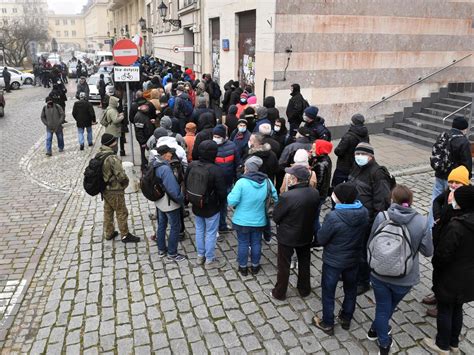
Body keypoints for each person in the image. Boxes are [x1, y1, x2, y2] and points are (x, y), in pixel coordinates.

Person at [367, 185, 433, 355]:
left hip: (379, 273)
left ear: (392, 200)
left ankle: (376, 331)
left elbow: (371, 241)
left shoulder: (382, 216)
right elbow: (428, 251)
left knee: (382, 307)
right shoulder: (421, 221)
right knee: (388, 308)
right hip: (405, 277)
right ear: (410, 201)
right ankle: (383, 341)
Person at [423, 185, 474, 355]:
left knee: (445, 309)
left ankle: (442, 344)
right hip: (468, 277)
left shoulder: (457, 226)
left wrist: (437, 266)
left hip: (451, 276)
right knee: (457, 309)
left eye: (456, 198)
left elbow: (443, 254)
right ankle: (454, 343)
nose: (453, 200)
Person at [312, 183, 368, 335]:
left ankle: (327, 322)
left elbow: (322, 238)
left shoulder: (334, 216)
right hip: (353, 258)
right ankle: (346, 318)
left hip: (334, 261)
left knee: (328, 291)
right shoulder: (364, 212)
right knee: (350, 289)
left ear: (341, 199)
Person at [422, 165, 471, 318]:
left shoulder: (466, 197)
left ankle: (442, 304)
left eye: (458, 183)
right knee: (437, 271)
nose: (453, 185)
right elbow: (436, 201)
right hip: (441, 237)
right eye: (451, 182)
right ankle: (436, 294)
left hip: (454, 242)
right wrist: (437, 216)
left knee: (446, 274)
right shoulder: (449, 192)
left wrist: (450, 206)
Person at [268, 165, 319, 300]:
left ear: (295, 179)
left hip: (288, 236)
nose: (289, 178)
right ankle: (304, 289)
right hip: (306, 233)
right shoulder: (314, 193)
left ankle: (279, 292)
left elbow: (277, 216)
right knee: (304, 262)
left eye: (291, 176)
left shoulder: (287, 196)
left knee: (284, 265)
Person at [348, 142, 391, 295]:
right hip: (353, 216)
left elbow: (382, 202)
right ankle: (351, 272)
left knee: (363, 252)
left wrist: (372, 222)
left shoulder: (377, 173)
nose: (359, 157)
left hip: (366, 221)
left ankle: (363, 281)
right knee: (352, 247)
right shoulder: (356, 167)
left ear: (371, 156)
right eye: (357, 154)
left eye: (362, 154)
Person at [228, 156, 278, 276]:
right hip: (259, 220)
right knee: (256, 243)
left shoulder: (241, 183)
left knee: (243, 243)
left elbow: (231, 201)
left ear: (248, 168)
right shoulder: (267, 181)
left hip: (242, 221)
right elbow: (275, 198)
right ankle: (255, 266)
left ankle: (243, 267)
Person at [185, 140, 227, 269]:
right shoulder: (216, 170)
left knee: (199, 229)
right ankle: (209, 260)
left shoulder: (192, 165)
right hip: (212, 207)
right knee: (210, 232)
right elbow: (222, 192)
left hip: (196, 203)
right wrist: (221, 205)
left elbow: (186, 182)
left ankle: (200, 256)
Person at [429, 116, 472, 227]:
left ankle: (431, 226)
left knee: (436, 200)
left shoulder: (443, 135)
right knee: (453, 202)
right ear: (464, 129)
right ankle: (447, 226)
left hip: (440, 174)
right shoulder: (463, 141)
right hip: (454, 180)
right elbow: (467, 164)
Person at [98, 133, 139, 243]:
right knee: (121, 211)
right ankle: (125, 235)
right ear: (111, 144)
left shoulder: (100, 154)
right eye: (115, 142)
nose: (116, 143)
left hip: (105, 189)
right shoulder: (112, 157)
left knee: (108, 211)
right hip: (114, 189)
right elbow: (121, 175)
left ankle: (109, 232)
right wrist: (125, 184)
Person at [151, 145, 186, 262]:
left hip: (159, 201)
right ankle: (172, 253)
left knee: (162, 225)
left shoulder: (154, 163)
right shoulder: (165, 169)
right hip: (169, 203)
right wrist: (181, 200)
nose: (171, 155)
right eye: (170, 153)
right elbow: (173, 190)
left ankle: (161, 250)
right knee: (175, 227)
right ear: (165, 154)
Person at [212, 124, 240, 232]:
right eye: (214, 136)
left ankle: (222, 225)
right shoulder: (211, 147)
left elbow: (238, 164)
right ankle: (216, 227)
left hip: (228, 182)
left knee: (224, 205)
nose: (216, 138)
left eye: (218, 136)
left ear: (224, 137)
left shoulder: (232, 146)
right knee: (215, 207)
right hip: (215, 184)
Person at [333, 114, 370, 187]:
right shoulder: (365, 135)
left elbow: (338, 151)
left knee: (336, 184)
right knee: (351, 185)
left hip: (344, 166)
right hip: (356, 165)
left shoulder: (348, 136)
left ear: (353, 123)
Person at [310, 139, 333, 246]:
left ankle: (318, 241)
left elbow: (318, 183)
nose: (312, 149)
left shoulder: (321, 164)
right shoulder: (324, 159)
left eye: (314, 148)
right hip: (321, 194)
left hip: (318, 196)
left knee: (314, 219)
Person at [133, 104, 156, 172]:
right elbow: (139, 131)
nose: (147, 108)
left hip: (147, 138)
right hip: (144, 140)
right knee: (144, 155)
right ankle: (144, 168)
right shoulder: (139, 116)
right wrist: (142, 142)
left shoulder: (144, 114)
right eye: (145, 107)